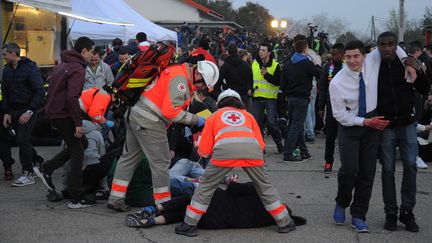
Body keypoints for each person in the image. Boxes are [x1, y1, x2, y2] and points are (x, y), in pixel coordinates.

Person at [175, 89, 295, 237]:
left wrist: (211, 158)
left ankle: (189, 224)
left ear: (220, 103)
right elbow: (261, 144)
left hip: (224, 152)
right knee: (264, 186)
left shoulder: (214, 116)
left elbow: (204, 149)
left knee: (206, 186)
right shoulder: (248, 116)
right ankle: (285, 222)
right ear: (239, 101)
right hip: (252, 152)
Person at [107, 60, 219, 212]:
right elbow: (170, 111)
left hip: (135, 115)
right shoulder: (181, 81)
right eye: (203, 84)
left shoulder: (176, 71)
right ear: (198, 74)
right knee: (161, 163)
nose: (203, 88)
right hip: (150, 121)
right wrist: (196, 120)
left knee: (129, 157)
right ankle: (164, 205)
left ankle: (115, 198)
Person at [329, 40, 391, 233]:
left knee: (367, 172)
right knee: (349, 170)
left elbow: (393, 45)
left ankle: (358, 215)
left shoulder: (372, 61)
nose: (352, 61)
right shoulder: (338, 82)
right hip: (350, 126)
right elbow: (339, 114)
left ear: (364, 55)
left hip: (372, 125)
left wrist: (408, 62)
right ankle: (342, 201)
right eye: (348, 57)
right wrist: (364, 122)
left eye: (356, 56)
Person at [375, 32, 430, 232]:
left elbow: (424, 89)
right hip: (387, 125)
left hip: (407, 122)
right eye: (383, 45)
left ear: (395, 46)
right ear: (378, 46)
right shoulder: (375, 68)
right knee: (388, 170)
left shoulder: (405, 64)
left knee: (410, 166)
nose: (387, 48)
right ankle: (391, 211)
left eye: (391, 44)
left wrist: (419, 70)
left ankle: (407, 211)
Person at [34, 36, 95, 208]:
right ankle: (76, 196)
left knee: (82, 143)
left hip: (54, 112)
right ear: (83, 51)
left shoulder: (63, 64)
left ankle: (48, 168)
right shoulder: (77, 68)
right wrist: (78, 123)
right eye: (91, 52)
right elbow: (72, 97)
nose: (92, 55)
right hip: (63, 114)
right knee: (78, 151)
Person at [126, 182, 306, 230]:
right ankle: (154, 222)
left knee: (192, 198)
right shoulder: (265, 221)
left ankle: (155, 209)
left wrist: (232, 182)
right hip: (213, 223)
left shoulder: (263, 195)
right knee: (184, 214)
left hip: (218, 204)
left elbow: (234, 189)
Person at [1, 42, 45, 186]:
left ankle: (28, 172)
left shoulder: (30, 69)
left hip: (28, 109)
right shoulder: (6, 70)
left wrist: (30, 110)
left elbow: (39, 91)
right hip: (13, 111)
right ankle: (37, 160)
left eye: (5, 54)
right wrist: (6, 112)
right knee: (21, 139)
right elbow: (5, 92)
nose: (3, 57)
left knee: (22, 139)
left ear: (13, 54)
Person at [280, 35, 321, 162]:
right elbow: (320, 73)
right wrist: (316, 64)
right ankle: (288, 153)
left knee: (295, 125)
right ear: (305, 50)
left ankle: (304, 152)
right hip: (302, 98)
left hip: (291, 98)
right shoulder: (306, 63)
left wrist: (289, 93)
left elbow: (282, 84)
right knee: (296, 126)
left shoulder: (288, 64)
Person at [251, 42, 284, 153]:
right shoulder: (254, 64)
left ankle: (279, 143)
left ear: (269, 52)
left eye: (264, 50)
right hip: (257, 97)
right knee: (257, 124)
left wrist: (267, 75)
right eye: (260, 50)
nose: (261, 52)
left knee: (272, 124)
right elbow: (250, 79)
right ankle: (261, 146)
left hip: (270, 98)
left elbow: (278, 82)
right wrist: (249, 89)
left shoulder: (275, 65)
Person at [318, 43, 345, 173]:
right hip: (331, 108)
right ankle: (329, 162)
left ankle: (347, 163)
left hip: (347, 108)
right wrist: (321, 107)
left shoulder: (348, 67)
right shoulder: (328, 67)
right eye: (331, 53)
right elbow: (322, 88)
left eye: (335, 54)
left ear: (342, 54)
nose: (332, 56)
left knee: (345, 137)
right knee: (330, 136)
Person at [218, 44, 253, 112]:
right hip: (244, 96)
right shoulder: (246, 65)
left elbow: (219, 81)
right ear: (237, 51)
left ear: (228, 52)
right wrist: (249, 89)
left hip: (230, 96)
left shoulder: (225, 66)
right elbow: (250, 79)